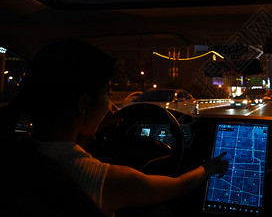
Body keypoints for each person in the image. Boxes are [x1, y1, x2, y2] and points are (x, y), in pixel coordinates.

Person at [10, 39, 229, 217]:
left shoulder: (13, 153)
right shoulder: (107, 180)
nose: (113, 105)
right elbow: (179, 185)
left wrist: (95, 128)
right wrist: (209, 168)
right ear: (82, 104)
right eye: (107, 93)